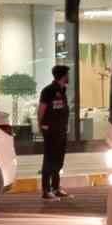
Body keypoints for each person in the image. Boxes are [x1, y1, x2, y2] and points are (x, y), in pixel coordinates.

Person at [37, 65, 71, 200]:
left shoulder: (62, 90)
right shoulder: (48, 91)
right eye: (67, 75)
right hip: (50, 130)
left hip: (61, 130)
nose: (69, 77)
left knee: (58, 159)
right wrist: (41, 126)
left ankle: (56, 188)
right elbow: (41, 110)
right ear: (63, 76)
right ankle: (46, 190)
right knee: (49, 159)